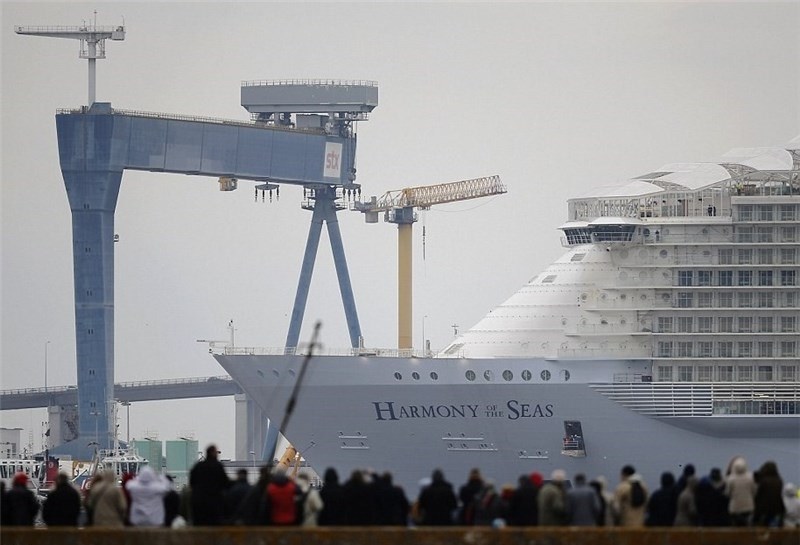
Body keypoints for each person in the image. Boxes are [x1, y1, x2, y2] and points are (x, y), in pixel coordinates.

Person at [189, 444, 230, 525]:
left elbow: (192, 482)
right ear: (212, 453)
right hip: (215, 503)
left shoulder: (198, 466)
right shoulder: (218, 466)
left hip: (199, 503)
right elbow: (225, 483)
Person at [753, 461, 785, 527]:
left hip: (764, 508)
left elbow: (759, 495)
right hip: (777, 508)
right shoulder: (779, 480)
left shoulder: (764, 481)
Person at [725, 456, 756, 526]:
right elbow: (754, 491)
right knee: (747, 526)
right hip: (749, 506)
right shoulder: (751, 477)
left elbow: (727, 493)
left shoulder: (730, 479)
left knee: (735, 526)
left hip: (734, 507)